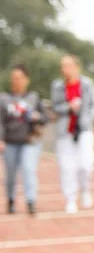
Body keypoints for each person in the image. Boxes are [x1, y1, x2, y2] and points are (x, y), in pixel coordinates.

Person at [50, 55, 94, 214]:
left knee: (86, 164)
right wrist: (69, 107)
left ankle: (85, 189)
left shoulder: (87, 84)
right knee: (67, 167)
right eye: (63, 66)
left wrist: (88, 119)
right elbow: (55, 107)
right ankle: (70, 199)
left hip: (84, 130)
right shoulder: (57, 86)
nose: (65, 69)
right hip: (65, 132)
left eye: (68, 66)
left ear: (76, 67)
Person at [0, 65, 47, 215]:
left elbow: (45, 117)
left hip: (29, 141)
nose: (16, 81)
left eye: (19, 78)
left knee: (29, 170)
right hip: (10, 141)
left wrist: (38, 117)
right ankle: (11, 200)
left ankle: (31, 201)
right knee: (11, 175)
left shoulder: (34, 97)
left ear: (26, 80)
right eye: (14, 78)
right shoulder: (4, 98)